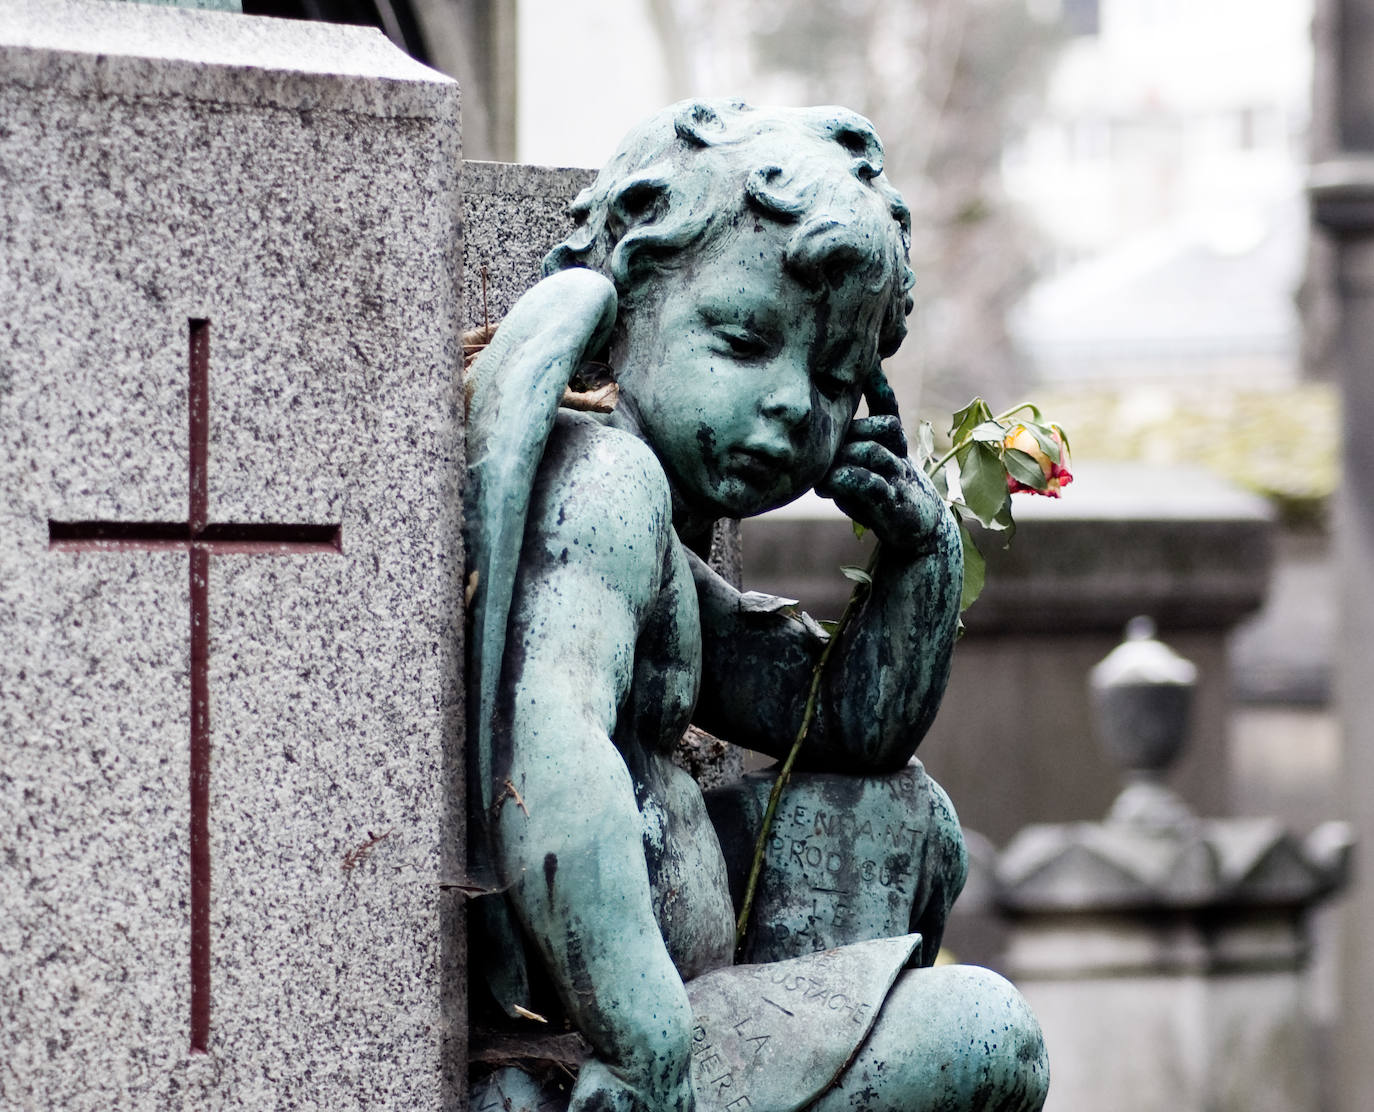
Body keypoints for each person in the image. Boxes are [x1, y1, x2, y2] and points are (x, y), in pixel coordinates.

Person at [465, 99, 1047, 1112]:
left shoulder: (660, 531)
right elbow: (549, 759)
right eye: (742, 341)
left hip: (679, 1012)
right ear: (624, 305)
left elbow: (840, 722)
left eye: (831, 378)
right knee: (991, 1032)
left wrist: (919, 554)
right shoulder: (607, 490)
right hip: (626, 1048)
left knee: (902, 816)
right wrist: (645, 1039)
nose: (791, 404)